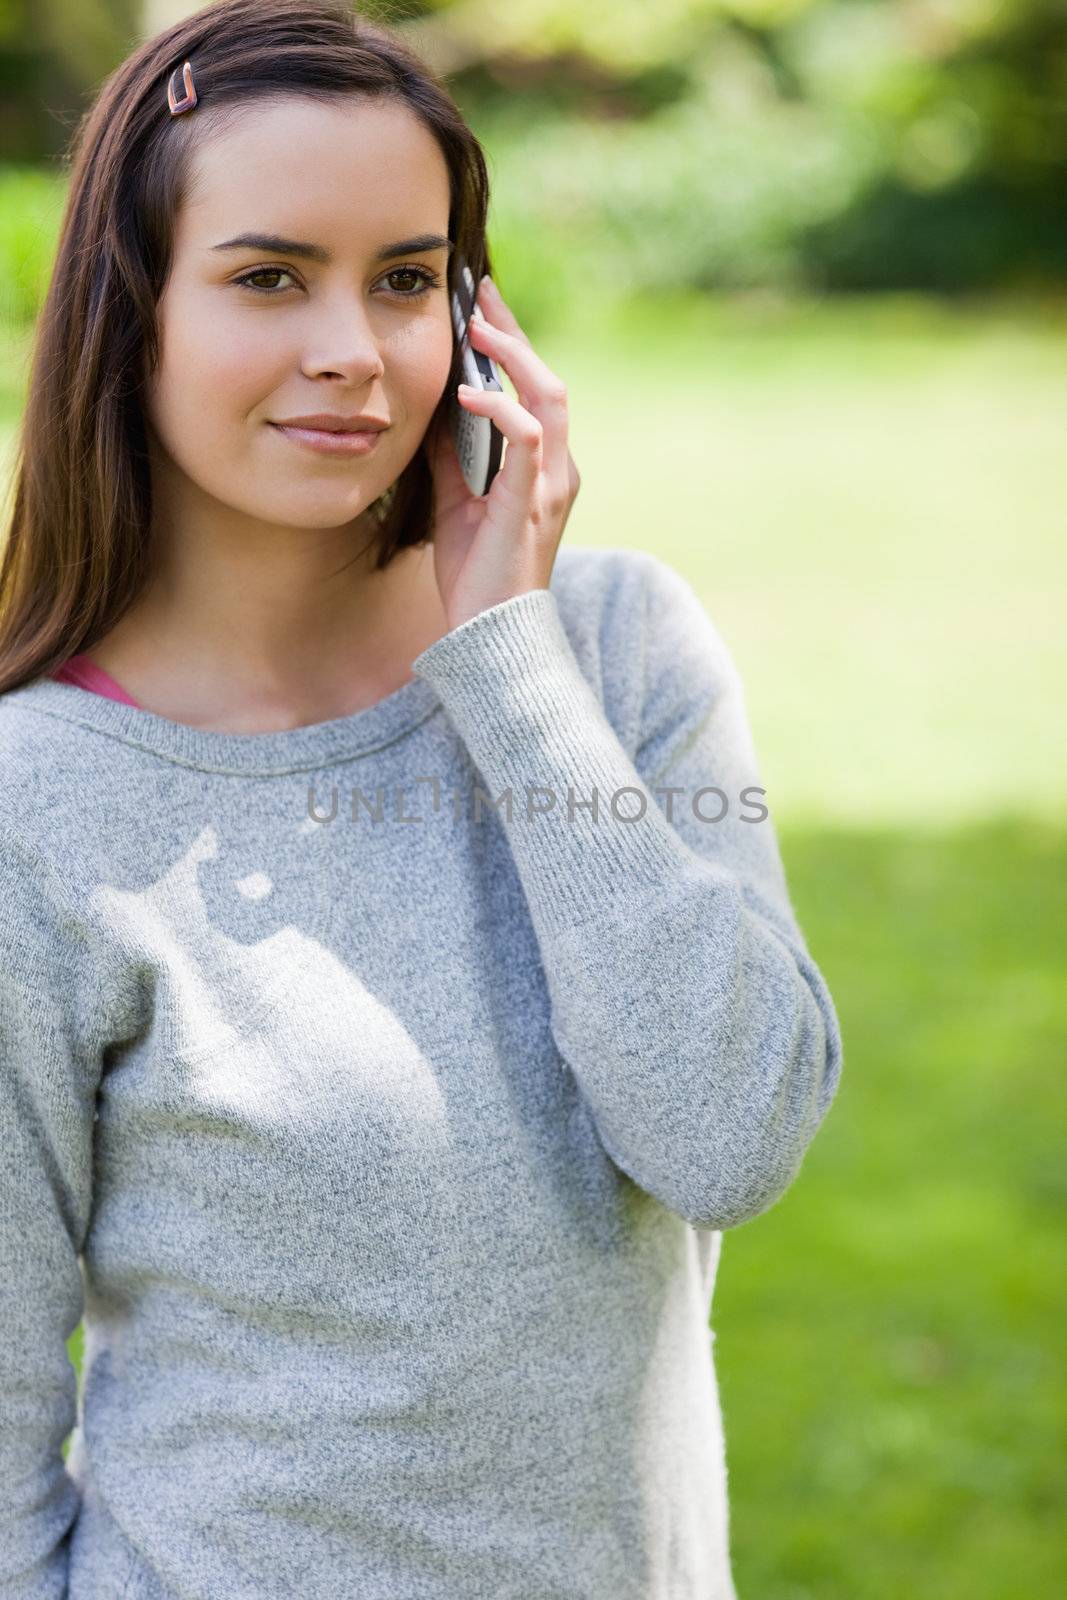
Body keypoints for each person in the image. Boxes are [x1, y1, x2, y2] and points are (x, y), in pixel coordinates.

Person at [0, 2, 844, 1596]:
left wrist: (513, 675)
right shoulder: (33, 802)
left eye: (407, 278)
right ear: (132, 312)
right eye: (267, 277)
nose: (356, 351)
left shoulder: (615, 652)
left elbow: (728, 1135)